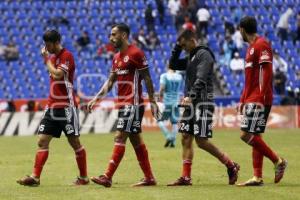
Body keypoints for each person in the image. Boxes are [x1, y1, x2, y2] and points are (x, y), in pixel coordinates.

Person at [87, 23, 161, 187]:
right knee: (135, 140)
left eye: (114, 34)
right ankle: (149, 178)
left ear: (124, 35)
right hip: (122, 104)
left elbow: (147, 78)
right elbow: (111, 81)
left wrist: (153, 101)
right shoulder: (116, 57)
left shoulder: (136, 53)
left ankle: (107, 176)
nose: (110, 38)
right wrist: (96, 98)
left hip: (133, 103)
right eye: (110, 35)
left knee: (120, 136)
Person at [167, 30, 240, 186]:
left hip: (202, 102)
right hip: (190, 103)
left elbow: (201, 79)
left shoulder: (204, 55)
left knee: (201, 141)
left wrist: (190, 97)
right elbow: (172, 64)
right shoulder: (190, 57)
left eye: (184, 44)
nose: (184, 47)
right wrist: (177, 47)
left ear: (192, 39)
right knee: (185, 137)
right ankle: (186, 177)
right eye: (182, 45)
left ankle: (231, 165)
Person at [17, 30, 88, 186]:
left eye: (48, 45)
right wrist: (49, 59)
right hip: (52, 107)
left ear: (56, 42)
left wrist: (46, 60)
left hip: (66, 107)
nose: (46, 48)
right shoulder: (54, 57)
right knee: (42, 141)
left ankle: (83, 178)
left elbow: (57, 75)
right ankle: (35, 178)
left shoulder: (66, 56)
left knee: (74, 142)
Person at [237, 16, 287, 186]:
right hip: (251, 97)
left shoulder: (262, 44)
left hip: (260, 98)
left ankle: (278, 161)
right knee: (255, 135)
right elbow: (248, 79)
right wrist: (243, 100)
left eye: (239, 30)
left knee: (246, 134)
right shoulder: (250, 48)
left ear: (242, 29)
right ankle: (257, 176)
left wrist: (259, 97)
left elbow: (267, 72)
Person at [158, 65, 183, 148]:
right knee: (175, 122)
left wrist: (159, 96)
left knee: (159, 120)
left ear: (168, 67)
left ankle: (168, 136)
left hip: (167, 102)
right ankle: (173, 141)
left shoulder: (164, 76)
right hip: (176, 102)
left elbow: (162, 88)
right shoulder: (179, 76)